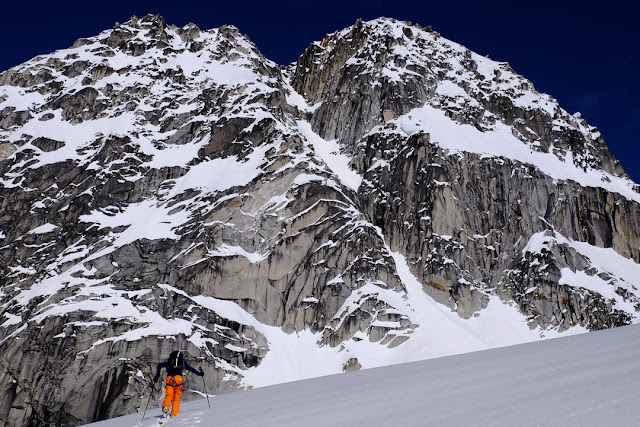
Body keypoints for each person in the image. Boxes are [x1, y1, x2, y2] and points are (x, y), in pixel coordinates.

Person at [153, 350, 204, 418]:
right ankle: (174, 413)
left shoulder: (169, 362)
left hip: (170, 378)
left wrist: (157, 375)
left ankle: (165, 407)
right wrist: (199, 373)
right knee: (176, 397)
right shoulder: (183, 363)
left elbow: (160, 365)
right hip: (178, 379)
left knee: (169, 395)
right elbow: (191, 369)